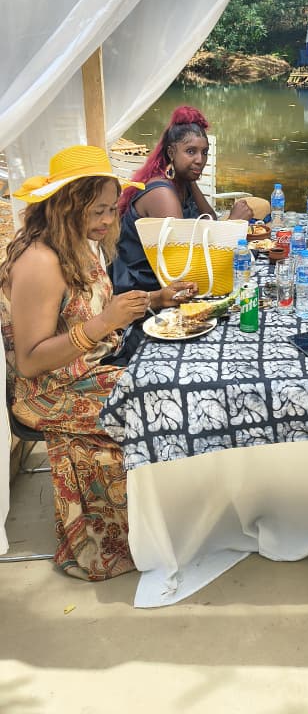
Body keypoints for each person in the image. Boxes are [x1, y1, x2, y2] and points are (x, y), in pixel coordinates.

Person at [0, 145, 193, 580]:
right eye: (99, 210)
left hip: (89, 369)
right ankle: (135, 532)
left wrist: (159, 298)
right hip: (49, 391)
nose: (109, 220)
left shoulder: (75, 245)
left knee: (173, 384)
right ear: (68, 205)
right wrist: (106, 322)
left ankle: (166, 519)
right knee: (157, 409)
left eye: (111, 209)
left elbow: (98, 312)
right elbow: (30, 363)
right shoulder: (39, 262)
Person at [113, 106, 262, 292]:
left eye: (204, 152)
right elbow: (184, 269)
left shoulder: (183, 181)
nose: (200, 159)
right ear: (171, 153)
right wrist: (235, 222)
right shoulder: (162, 194)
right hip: (143, 293)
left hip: (169, 282)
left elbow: (210, 220)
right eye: (191, 152)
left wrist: (191, 180)